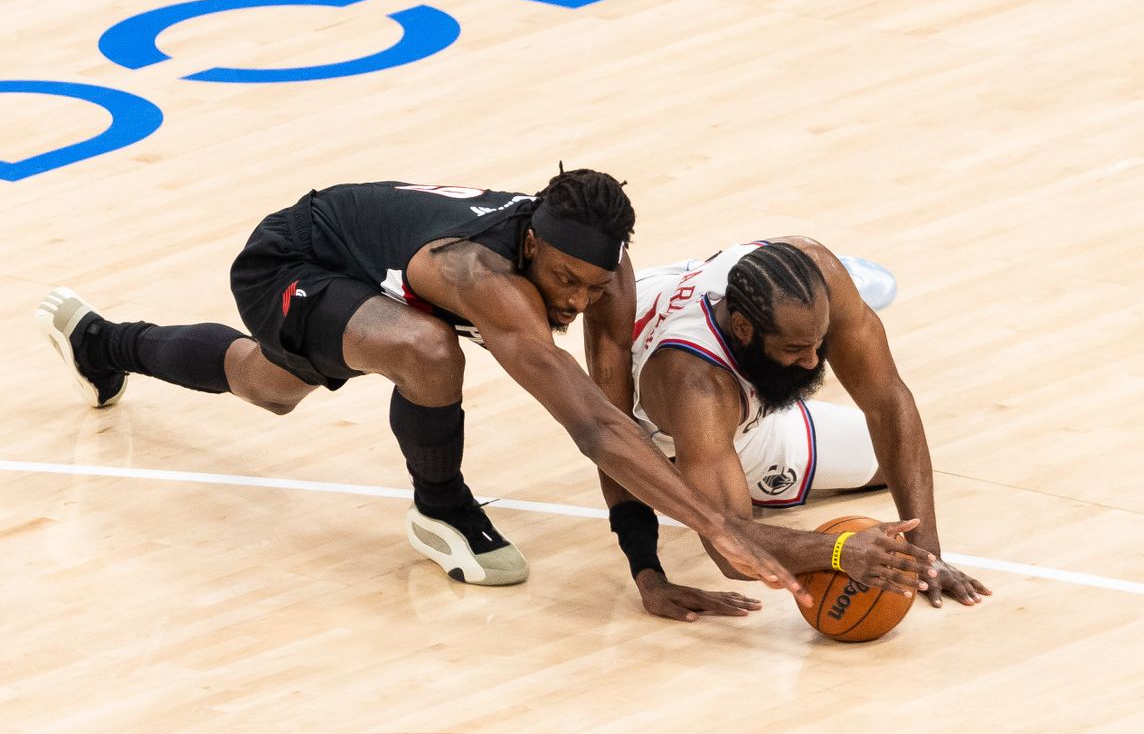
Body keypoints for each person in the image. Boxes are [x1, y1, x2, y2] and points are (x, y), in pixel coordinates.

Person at [35, 170, 936, 604]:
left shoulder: (604, 274)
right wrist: (725, 528)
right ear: (532, 247)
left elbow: (613, 418)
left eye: (596, 287)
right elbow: (585, 428)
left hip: (369, 279)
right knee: (430, 351)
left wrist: (646, 567)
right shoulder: (486, 280)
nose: (579, 302)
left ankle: (100, 341)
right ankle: (443, 508)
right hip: (294, 257)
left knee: (264, 384)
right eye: (566, 285)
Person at [601, 238, 990, 622]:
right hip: (698, 434)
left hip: (692, 314)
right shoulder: (696, 387)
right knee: (733, 507)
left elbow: (888, 402)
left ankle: (773, 381)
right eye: (796, 348)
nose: (811, 362)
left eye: (820, 343)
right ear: (741, 327)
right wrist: (838, 550)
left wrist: (929, 557)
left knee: (884, 463)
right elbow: (731, 545)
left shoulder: (816, 269)